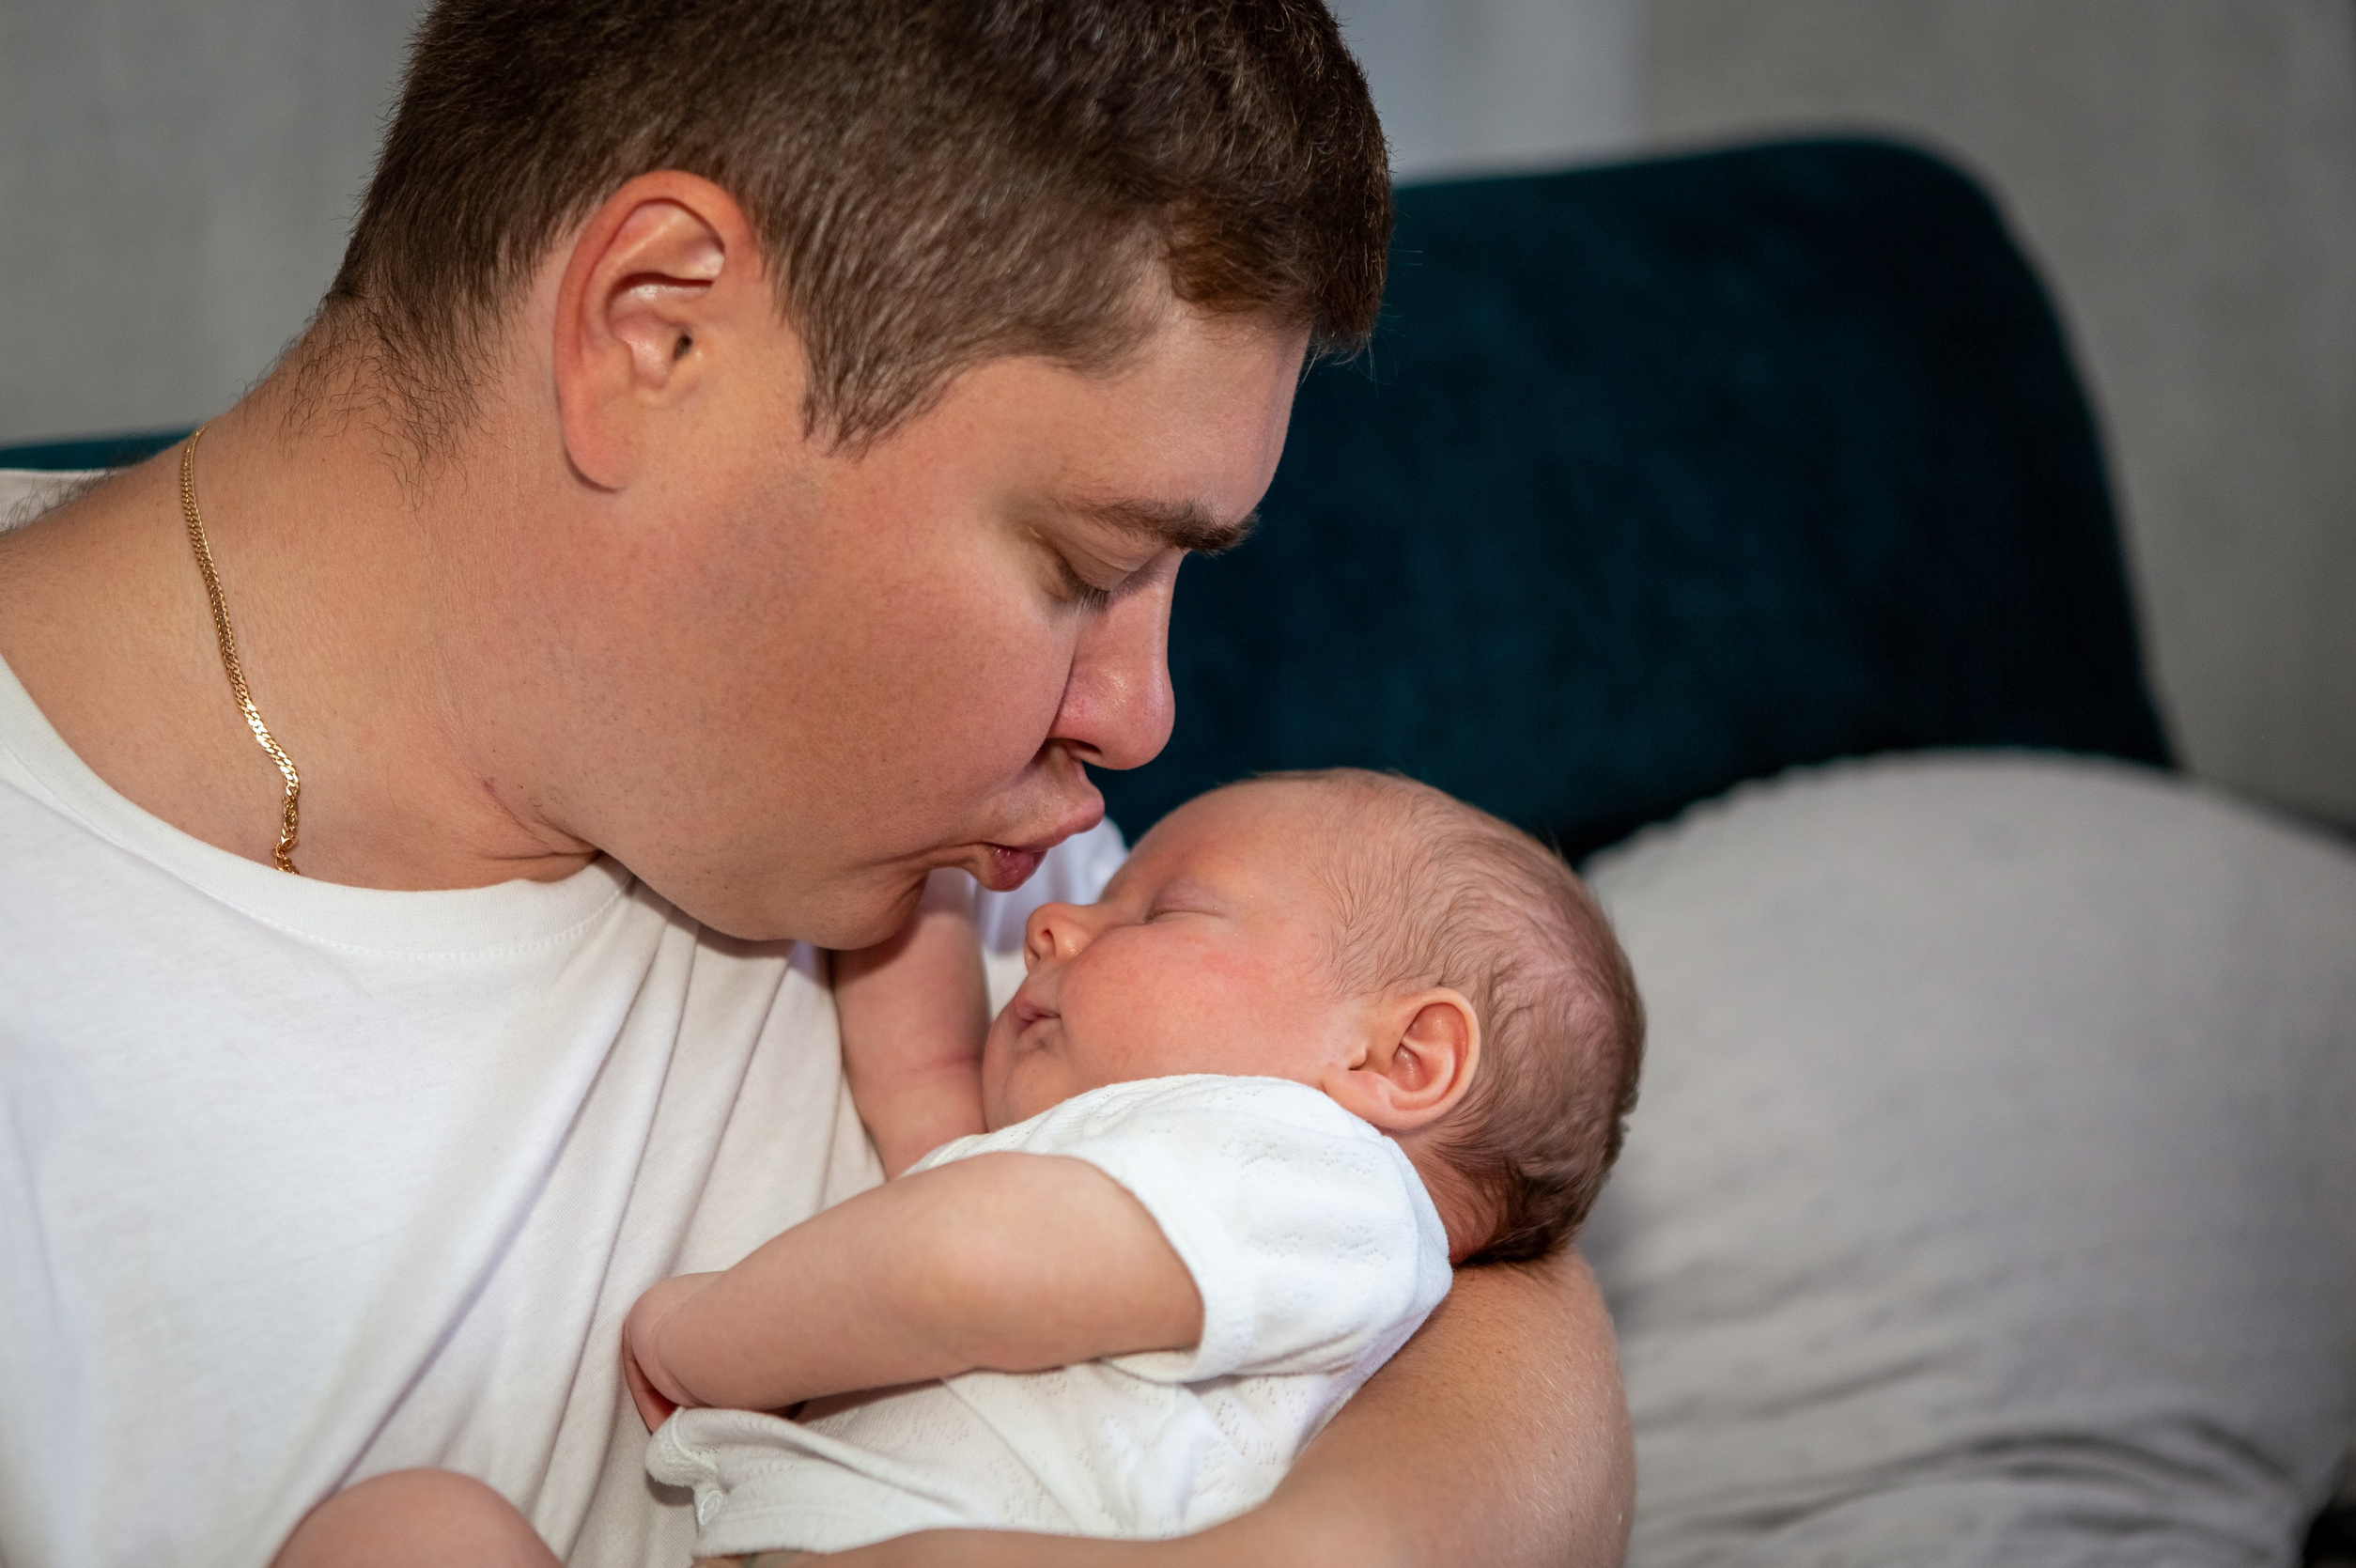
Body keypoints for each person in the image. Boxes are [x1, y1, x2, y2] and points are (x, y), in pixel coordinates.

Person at [0, 4, 1635, 1564]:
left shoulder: (934, 865)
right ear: (661, 326)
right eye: (1086, 561)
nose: (1144, 715)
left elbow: (1465, 1234)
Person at [269, 770, 1647, 1562]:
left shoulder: (1326, 1182)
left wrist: (708, 1329)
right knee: (418, 1534)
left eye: (1159, 907)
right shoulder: (1155, 1194)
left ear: (1401, 1065)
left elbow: (964, 1255)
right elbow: (936, 1124)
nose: (1054, 929)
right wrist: (902, 863)